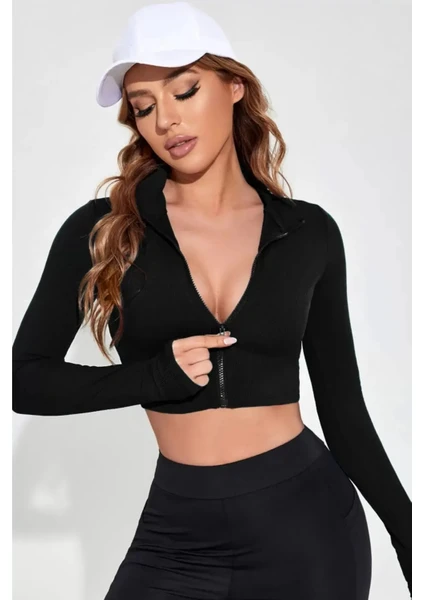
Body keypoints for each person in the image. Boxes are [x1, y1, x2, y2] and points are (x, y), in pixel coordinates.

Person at [12, 2, 412, 598]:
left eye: (185, 91)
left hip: (308, 525)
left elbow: (344, 412)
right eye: (144, 107)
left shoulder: (308, 233)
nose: (166, 120)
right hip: (176, 534)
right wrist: (152, 378)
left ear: (234, 86)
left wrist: (410, 535)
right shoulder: (104, 232)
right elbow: (26, 380)